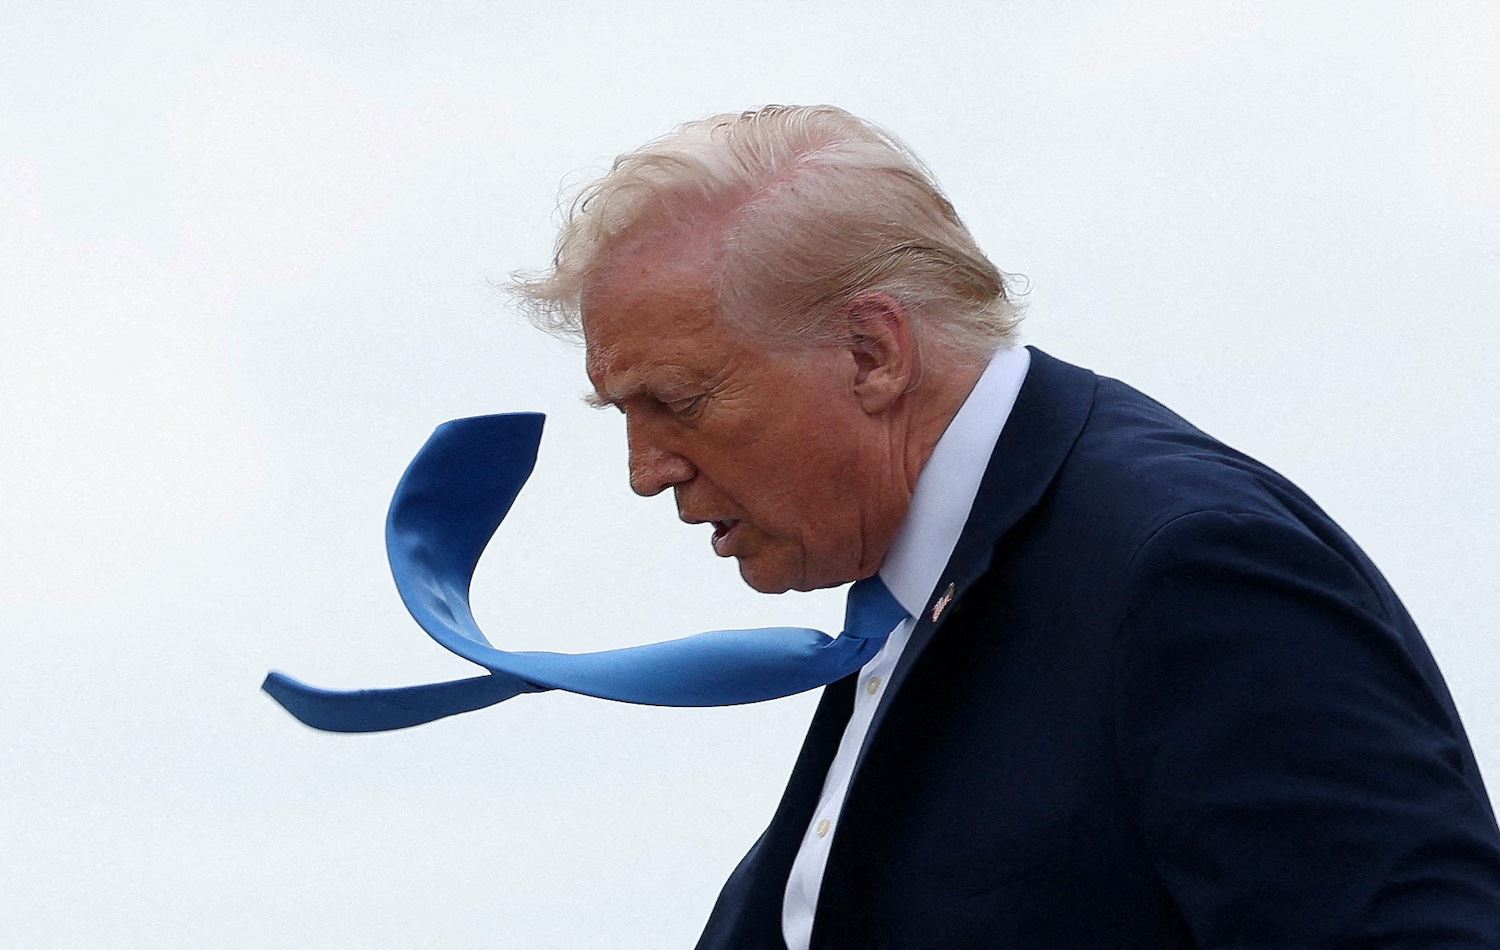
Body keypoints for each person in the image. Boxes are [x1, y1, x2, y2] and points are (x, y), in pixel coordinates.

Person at [509, 105, 1500, 948]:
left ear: (872, 352)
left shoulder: (1184, 569)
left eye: (677, 402)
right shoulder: (923, 590)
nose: (646, 471)